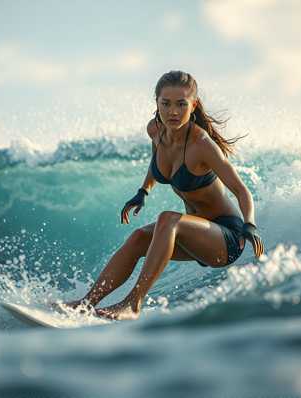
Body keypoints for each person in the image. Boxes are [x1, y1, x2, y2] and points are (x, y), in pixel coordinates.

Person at [61, 70, 264, 321]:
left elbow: (241, 190)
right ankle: (86, 303)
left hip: (225, 238)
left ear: (194, 105)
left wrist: (250, 225)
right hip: (193, 236)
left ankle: (132, 304)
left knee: (168, 219)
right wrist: (143, 191)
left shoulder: (201, 144)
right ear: (156, 102)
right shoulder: (155, 131)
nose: (173, 112)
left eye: (181, 104)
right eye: (165, 104)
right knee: (137, 238)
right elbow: (156, 162)